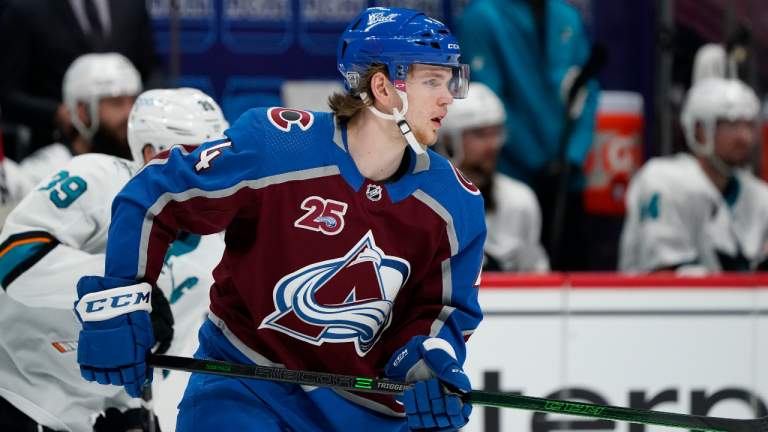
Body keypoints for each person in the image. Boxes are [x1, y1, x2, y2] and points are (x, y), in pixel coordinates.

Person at [74, 7, 485, 432]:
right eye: (433, 81)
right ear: (382, 86)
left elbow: (440, 311)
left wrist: (426, 363)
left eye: (450, 79)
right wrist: (122, 295)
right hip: (248, 386)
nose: (448, 97)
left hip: (370, 415)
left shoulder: (456, 203)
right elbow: (154, 194)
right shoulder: (276, 145)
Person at [0, 88, 229, 432]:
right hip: (12, 391)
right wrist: (128, 292)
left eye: (221, 155)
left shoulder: (212, 251)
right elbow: (14, 260)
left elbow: (156, 351)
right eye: (202, 155)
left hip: (80, 421)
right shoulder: (98, 177)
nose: (217, 170)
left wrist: (131, 409)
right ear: (153, 153)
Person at [457, 0, 599, 270]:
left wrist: (573, 156)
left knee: (577, 285)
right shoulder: (482, 16)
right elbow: (492, 102)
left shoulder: (566, 15)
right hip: (515, 178)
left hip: (569, 180)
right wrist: (539, 163)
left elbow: (587, 89)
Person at [619, 78, 768, 273]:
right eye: (732, 125)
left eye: (748, 126)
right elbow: (663, 277)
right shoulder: (663, 182)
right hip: (669, 303)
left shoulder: (759, 196)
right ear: (700, 130)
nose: (745, 137)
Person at [0, 0, 163, 159]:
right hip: (57, 153)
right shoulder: (25, 7)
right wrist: (56, 113)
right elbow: (7, 93)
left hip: (127, 155)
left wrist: (145, 106)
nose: (128, 112)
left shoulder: (131, 4)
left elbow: (151, 67)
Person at [435, 82, 549, 272]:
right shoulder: (422, 202)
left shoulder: (520, 201)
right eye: (480, 135)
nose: (493, 145)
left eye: (496, 134)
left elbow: (536, 279)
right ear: (448, 142)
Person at [20, 53, 142, 185]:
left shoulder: (145, 167)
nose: (130, 112)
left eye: (134, 101)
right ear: (82, 111)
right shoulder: (40, 174)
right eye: (116, 103)